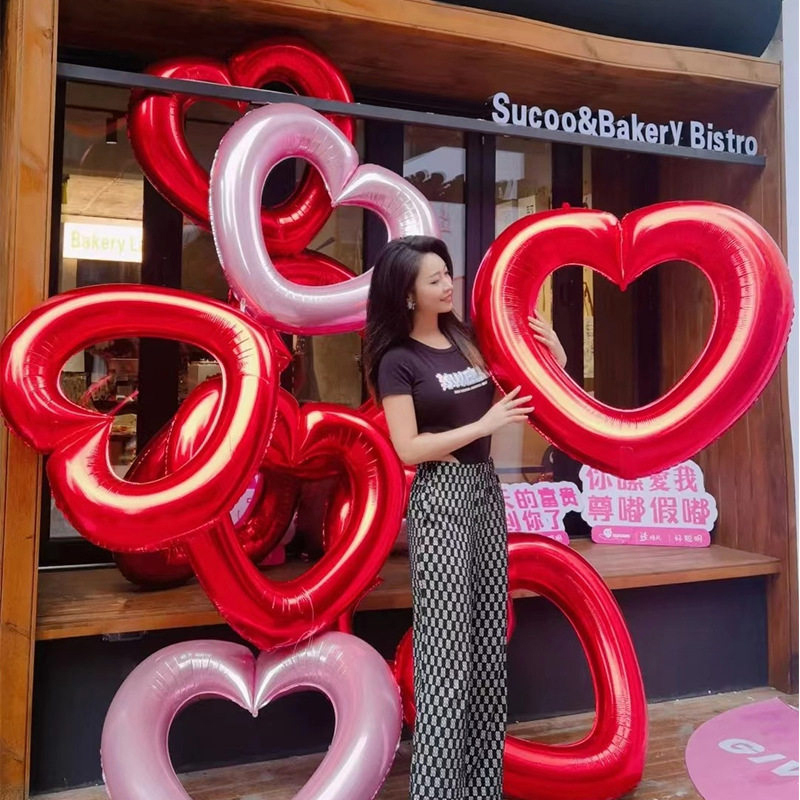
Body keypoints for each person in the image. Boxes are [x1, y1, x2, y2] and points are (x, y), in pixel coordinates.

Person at [363, 235, 566, 800]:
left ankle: (480, 787)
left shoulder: (465, 340)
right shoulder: (398, 361)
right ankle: (438, 790)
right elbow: (407, 447)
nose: (447, 284)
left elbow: (528, 393)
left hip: (483, 492)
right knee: (446, 653)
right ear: (407, 294)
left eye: (446, 273)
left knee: (485, 645)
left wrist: (554, 355)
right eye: (434, 279)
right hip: (441, 500)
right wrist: (483, 426)